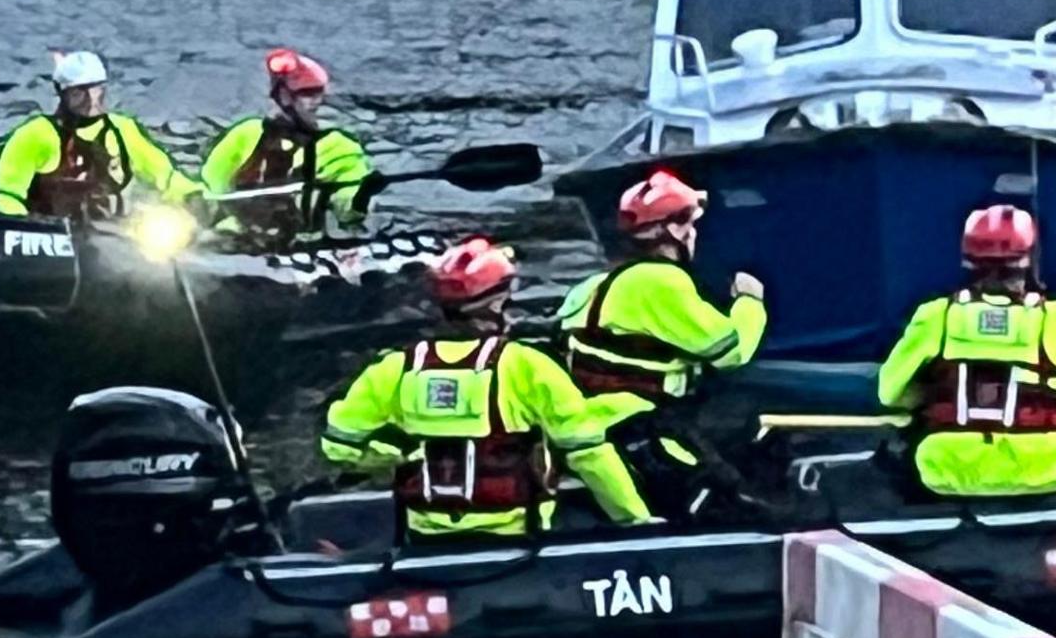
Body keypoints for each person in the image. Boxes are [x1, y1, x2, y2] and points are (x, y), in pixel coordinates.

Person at [322, 238, 651, 539]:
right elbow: (589, 454)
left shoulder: (394, 369)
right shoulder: (527, 367)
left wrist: (392, 455)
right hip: (519, 541)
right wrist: (636, 521)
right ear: (499, 304)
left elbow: (338, 446)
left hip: (425, 543)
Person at [552, 169, 765, 518]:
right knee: (730, 500)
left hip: (594, 431)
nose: (694, 234)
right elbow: (732, 352)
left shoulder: (591, 286)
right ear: (674, 230)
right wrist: (749, 302)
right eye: (691, 224)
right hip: (641, 428)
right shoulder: (660, 283)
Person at [877, 205, 1056, 500]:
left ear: (967, 261)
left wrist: (926, 397)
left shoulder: (936, 316)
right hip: (1048, 468)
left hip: (945, 468)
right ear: (1030, 259)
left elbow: (888, 393)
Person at [200, 48, 375, 245]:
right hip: (243, 235)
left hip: (305, 243)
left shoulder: (339, 146)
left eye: (317, 94)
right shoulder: (245, 134)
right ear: (282, 96)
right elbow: (211, 185)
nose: (314, 102)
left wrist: (362, 197)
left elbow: (348, 208)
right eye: (305, 94)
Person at [0, 50, 193, 220]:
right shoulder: (35, 134)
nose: (91, 100)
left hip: (110, 235)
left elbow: (166, 177)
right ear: (62, 94)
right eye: (80, 93)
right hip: (48, 230)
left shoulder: (123, 130)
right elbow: (8, 196)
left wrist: (195, 196)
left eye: (97, 90)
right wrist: (21, 226)